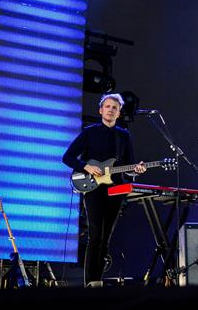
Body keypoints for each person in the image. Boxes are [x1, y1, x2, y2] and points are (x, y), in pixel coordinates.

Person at [63, 93, 147, 286]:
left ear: (118, 113)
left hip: (116, 191)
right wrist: (86, 166)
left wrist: (137, 170)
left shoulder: (123, 136)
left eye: (114, 108)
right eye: (107, 106)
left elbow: (130, 167)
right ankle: (90, 283)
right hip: (93, 189)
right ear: (101, 110)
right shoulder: (89, 132)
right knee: (95, 236)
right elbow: (67, 157)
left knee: (105, 238)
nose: (110, 110)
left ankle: (97, 282)